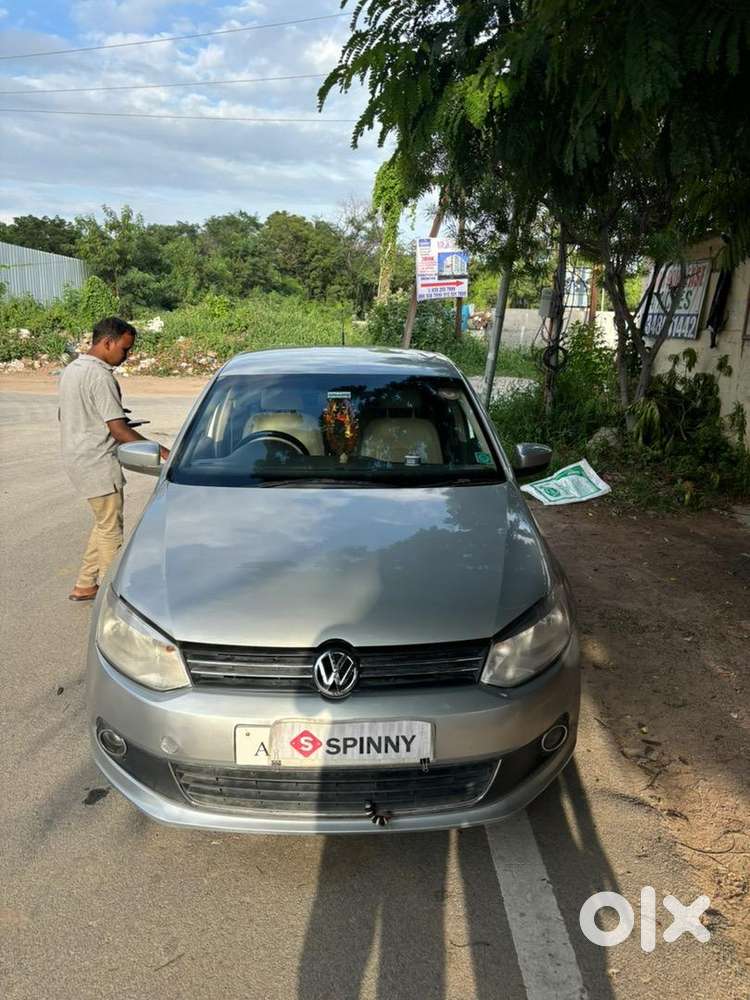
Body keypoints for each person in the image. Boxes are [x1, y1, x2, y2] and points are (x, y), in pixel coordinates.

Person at [58, 316, 169, 602]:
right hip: (97, 461)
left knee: (103, 522)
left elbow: (71, 414)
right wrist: (161, 452)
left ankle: (85, 585)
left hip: (77, 456)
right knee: (111, 529)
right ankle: (114, 595)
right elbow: (118, 430)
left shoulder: (73, 369)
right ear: (107, 342)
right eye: (124, 349)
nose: (126, 357)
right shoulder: (100, 375)